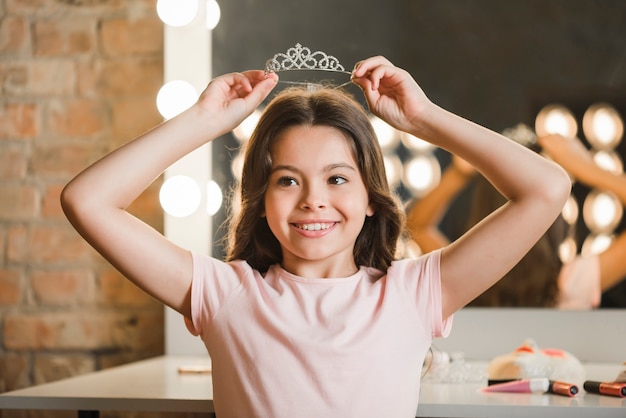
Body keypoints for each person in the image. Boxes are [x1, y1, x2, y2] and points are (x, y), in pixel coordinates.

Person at [60, 56, 570, 417]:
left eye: (337, 178)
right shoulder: (225, 294)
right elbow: (87, 201)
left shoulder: (414, 293)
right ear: (260, 200)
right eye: (287, 179)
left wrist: (424, 119)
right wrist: (202, 121)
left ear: (371, 197)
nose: (313, 200)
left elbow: (546, 188)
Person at [407, 132, 626, 309]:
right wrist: (585, 168)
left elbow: (417, 227)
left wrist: (459, 173)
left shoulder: (462, 275)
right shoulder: (573, 283)